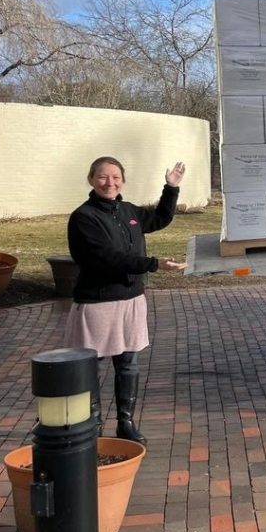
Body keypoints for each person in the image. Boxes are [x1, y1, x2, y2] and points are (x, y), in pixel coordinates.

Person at [65, 157, 187, 444]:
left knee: (129, 364)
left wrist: (170, 188)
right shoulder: (83, 217)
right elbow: (105, 258)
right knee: (91, 366)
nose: (110, 183)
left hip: (130, 300)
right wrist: (152, 264)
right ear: (91, 179)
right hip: (98, 302)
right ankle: (91, 425)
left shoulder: (128, 210)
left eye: (116, 177)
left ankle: (125, 422)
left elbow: (160, 218)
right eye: (103, 177)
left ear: (123, 179)